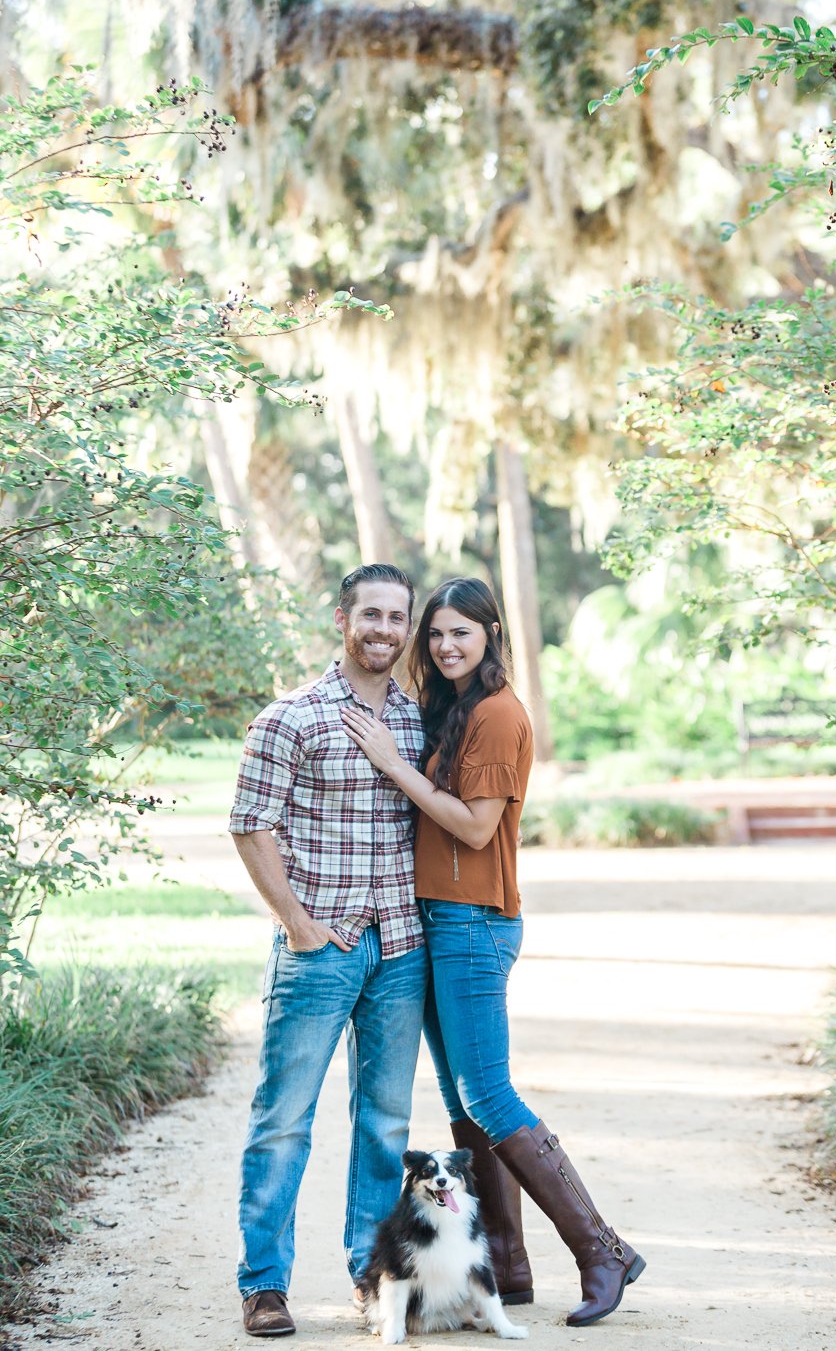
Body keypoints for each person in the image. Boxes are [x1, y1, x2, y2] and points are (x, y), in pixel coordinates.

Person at [341, 576, 646, 1328]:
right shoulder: (460, 709)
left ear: (491, 636)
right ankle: (504, 1266)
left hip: (475, 922)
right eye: (436, 634)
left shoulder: (501, 714)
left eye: (461, 634)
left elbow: (476, 830)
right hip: (443, 920)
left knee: (489, 1096)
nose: (445, 646)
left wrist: (391, 763)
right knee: (462, 1106)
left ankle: (602, 1249)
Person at [229, 563, 428, 1338]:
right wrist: (298, 924)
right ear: (341, 619)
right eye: (370, 615)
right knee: (284, 1118)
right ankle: (265, 1285)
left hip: (403, 946)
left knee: (384, 1124)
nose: (383, 629)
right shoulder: (293, 716)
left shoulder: (416, 721)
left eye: (396, 618)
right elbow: (250, 824)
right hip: (321, 948)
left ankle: (372, 1276)